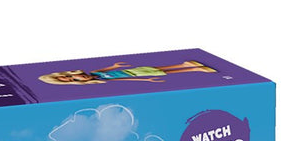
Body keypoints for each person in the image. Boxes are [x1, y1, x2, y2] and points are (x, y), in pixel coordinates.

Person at [39, 60, 217, 86]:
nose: (70, 77)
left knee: (160, 68)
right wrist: (147, 81)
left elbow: (106, 70)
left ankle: (185, 65)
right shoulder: (94, 81)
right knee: (161, 72)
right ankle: (192, 68)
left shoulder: (94, 74)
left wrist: (114, 65)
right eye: (66, 79)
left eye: (66, 76)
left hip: (129, 70)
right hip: (132, 75)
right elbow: (122, 81)